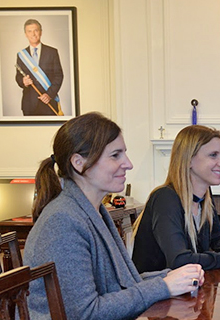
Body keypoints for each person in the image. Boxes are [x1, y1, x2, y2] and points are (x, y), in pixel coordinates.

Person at [23, 112, 203, 320]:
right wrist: (163, 286)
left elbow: (121, 284)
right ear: (78, 162)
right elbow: (85, 314)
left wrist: (171, 276)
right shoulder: (62, 221)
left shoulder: (93, 210)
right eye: (115, 155)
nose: (128, 163)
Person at [132, 125, 220, 273]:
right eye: (213, 155)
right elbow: (179, 261)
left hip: (188, 288)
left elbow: (217, 237)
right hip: (158, 292)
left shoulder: (205, 195)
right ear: (188, 160)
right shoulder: (165, 199)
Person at [15, 19, 64, 116]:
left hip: (48, 102)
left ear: (41, 32)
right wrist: (23, 81)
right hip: (29, 104)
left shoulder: (52, 52)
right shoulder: (21, 55)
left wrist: (49, 95)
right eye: (29, 31)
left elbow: (59, 76)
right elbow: (18, 77)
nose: (33, 34)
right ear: (26, 34)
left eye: (36, 30)